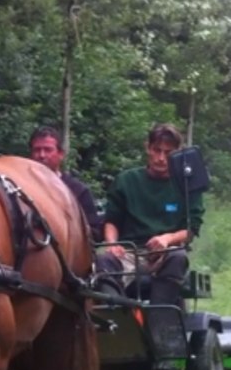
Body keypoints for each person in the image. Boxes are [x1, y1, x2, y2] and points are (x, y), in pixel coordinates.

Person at [97, 123, 204, 309]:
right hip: (130, 252)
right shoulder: (126, 180)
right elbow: (111, 220)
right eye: (157, 150)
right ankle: (115, 317)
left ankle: (160, 319)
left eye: (168, 152)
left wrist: (167, 239)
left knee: (178, 257)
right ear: (148, 148)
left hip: (167, 253)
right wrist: (112, 243)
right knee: (103, 261)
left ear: (178, 153)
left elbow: (191, 230)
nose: (161, 158)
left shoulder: (187, 186)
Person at [28, 126, 102, 242]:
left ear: (60, 154)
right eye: (37, 150)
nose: (41, 155)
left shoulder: (78, 190)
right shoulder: (20, 187)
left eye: (48, 150)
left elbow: (95, 233)